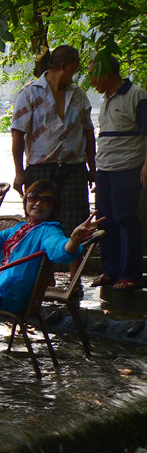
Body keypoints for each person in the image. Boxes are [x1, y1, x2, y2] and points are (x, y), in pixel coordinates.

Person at [0, 180, 103, 371]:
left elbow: (61, 250)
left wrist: (74, 239)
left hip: (6, 293)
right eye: (33, 197)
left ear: (54, 207)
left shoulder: (49, 231)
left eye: (46, 200)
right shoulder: (20, 228)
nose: (38, 203)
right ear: (26, 200)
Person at [11, 45, 96, 282]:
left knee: (76, 221)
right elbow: (18, 134)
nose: (78, 70)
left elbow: (88, 133)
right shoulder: (29, 93)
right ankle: (40, 278)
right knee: (39, 222)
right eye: (76, 65)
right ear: (64, 66)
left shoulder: (78, 95)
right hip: (41, 167)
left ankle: (74, 280)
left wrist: (92, 169)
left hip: (73, 167)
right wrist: (19, 172)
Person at [88, 55, 147, 291]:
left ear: (105, 72)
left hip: (128, 167)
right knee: (105, 220)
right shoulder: (105, 100)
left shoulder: (137, 95)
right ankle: (110, 271)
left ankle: (130, 274)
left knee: (126, 218)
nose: (91, 80)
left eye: (93, 74)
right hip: (105, 169)